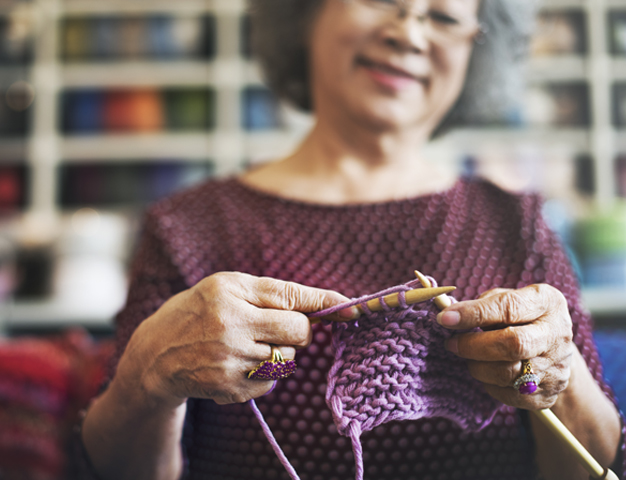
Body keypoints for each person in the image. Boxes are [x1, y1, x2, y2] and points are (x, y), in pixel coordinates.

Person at [78, 0, 625, 479]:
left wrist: (555, 377)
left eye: (443, 16)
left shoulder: (517, 224)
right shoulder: (188, 227)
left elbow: (593, 469)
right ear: (307, 10)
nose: (408, 33)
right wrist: (149, 372)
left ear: (476, 51)